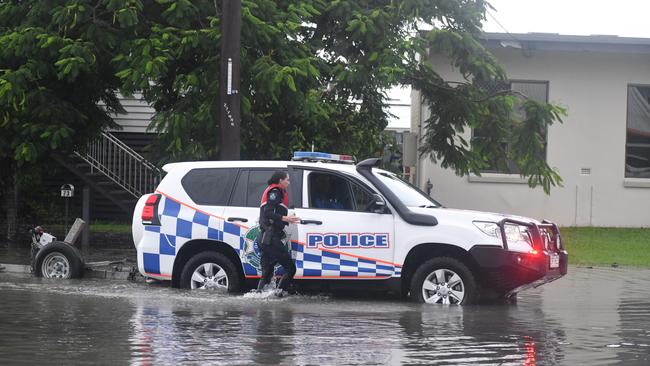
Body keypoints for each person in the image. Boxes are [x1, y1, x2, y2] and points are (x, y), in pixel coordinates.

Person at [256, 171, 301, 296]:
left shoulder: (276, 192)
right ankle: (278, 295)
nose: (288, 182)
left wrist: (286, 217)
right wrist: (286, 219)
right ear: (280, 181)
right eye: (287, 179)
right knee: (291, 269)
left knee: (268, 270)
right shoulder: (275, 192)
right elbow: (268, 213)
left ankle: (259, 295)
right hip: (270, 238)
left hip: (267, 238)